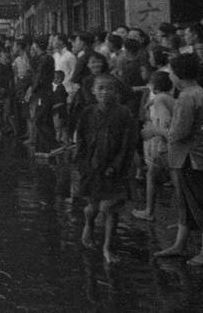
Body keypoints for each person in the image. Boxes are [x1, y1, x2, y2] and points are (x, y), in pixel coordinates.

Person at [149, 53, 203, 266]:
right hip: (189, 155)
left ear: (179, 74)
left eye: (171, 72)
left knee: (198, 202)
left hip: (189, 157)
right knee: (187, 202)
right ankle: (180, 243)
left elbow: (178, 133)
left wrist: (155, 130)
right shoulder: (197, 91)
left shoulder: (188, 96)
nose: (170, 76)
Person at [75, 74, 139, 263]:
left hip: (115, 168)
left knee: (111, 208)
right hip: (92, 166)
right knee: (92, 206)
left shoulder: (124, 114)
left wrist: (116, 166)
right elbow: (81, 140)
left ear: (116, 92)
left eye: (109, 88)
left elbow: (127, 144)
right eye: (100, 88)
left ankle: (107, 247)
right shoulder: (87, 113)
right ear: (93, 91)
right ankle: (88, 225)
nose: (104, 92)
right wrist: (82, 163)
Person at [131, 71, 174, 221]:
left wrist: (154, 132)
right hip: (166, 145)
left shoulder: (160, 99)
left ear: (155, 87)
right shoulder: (168, 97)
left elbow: (165, 123)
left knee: (152, 176)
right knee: (174, 179)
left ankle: (149, 211)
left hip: (161, 145)